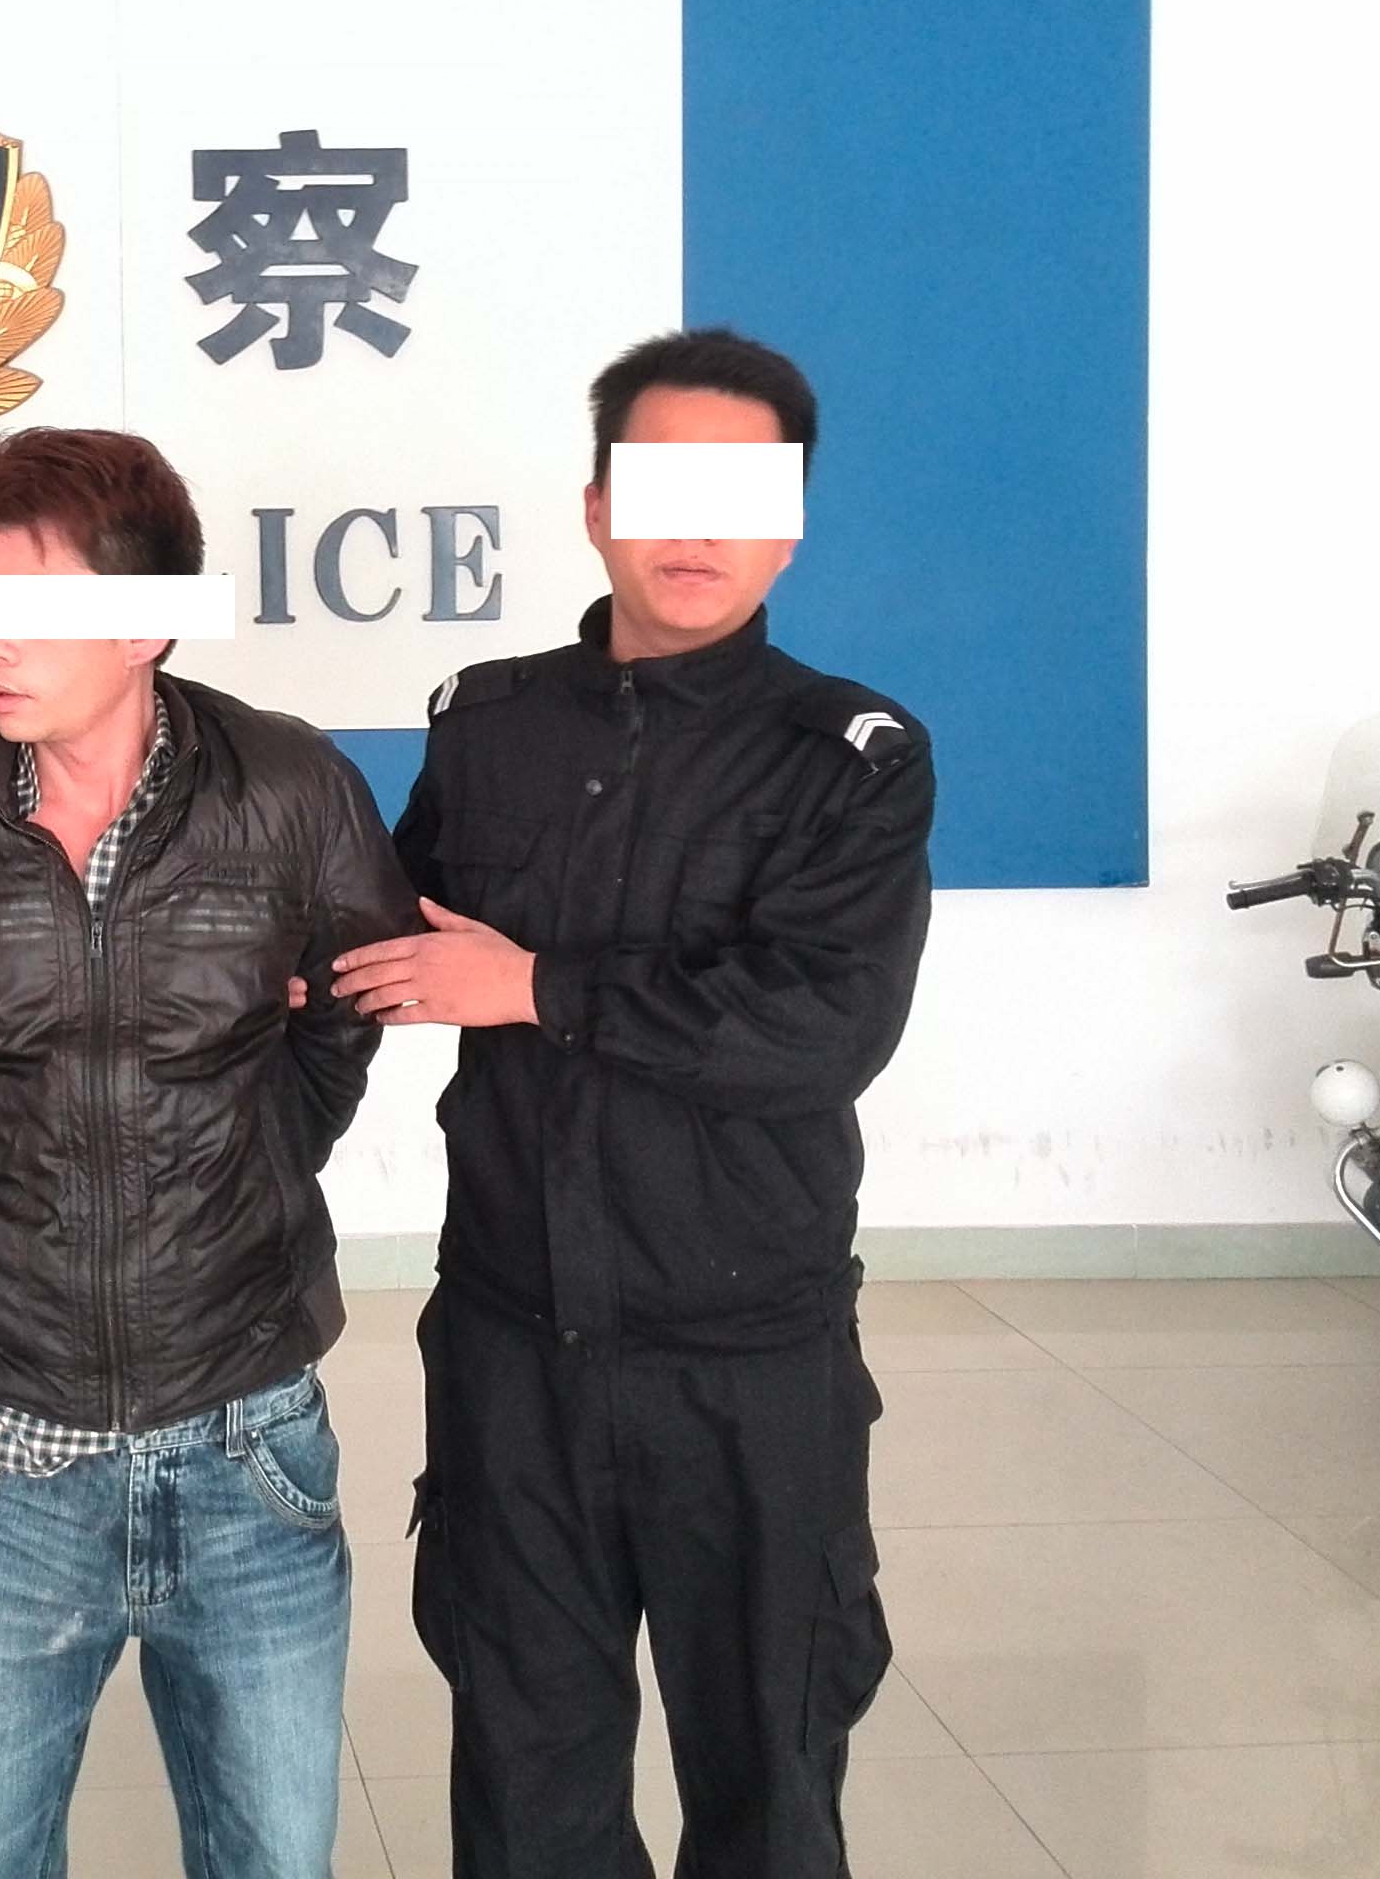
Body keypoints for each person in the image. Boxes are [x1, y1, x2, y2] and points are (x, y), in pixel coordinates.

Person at [330, 328, 934, 1879]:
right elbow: (370, 942)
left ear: (791, 527)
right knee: (528, 1789)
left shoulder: (850, 757)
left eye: (744, 495)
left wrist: (539, 988)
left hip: (748, 1364)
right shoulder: (490, 724)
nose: (698, 530)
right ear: (599, 507)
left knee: (768, 1782)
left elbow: (821, 1032)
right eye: (663, 487)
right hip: (512, 1350)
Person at [0, 427, 422, 1879]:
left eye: (34, 605)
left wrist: (255, 1153)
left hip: (247, 1445)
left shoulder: (291, 791)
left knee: (273, 1857)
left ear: (150, 622)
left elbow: (351, 1008)